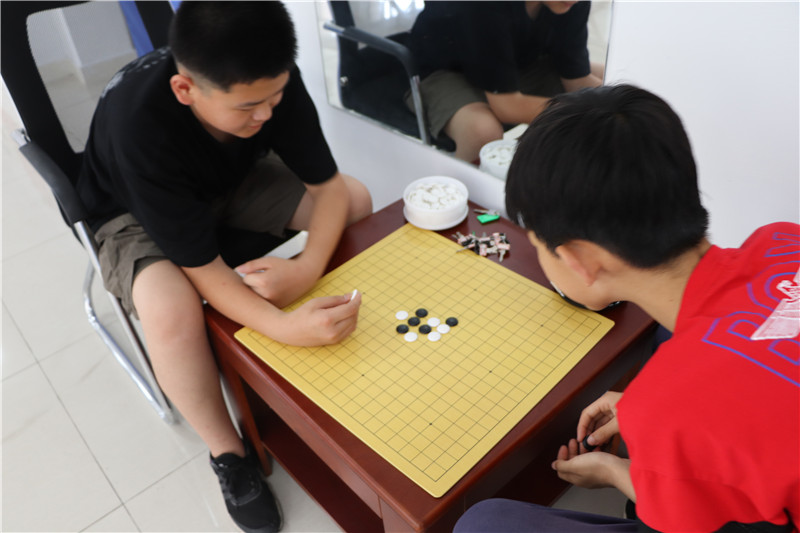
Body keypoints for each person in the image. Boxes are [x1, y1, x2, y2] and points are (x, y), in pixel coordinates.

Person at [77, 2, 373, 532]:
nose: (266, 115)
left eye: (275, 98)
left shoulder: (268, 79)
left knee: (356, 199)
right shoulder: (137, 125)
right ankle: (229, 455)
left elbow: (330, 190)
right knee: (170, 308)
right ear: (185, 90)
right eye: (249, 107)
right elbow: (201, 267)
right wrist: (283, 327)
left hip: (233, 181)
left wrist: (305, 270)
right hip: (133, 212)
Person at [454, 85, 799, 532]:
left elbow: (691, 516)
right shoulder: (782, 240)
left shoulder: (668, 414)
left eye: (538, 244)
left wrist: (620, 471)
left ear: (581, 261)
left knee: (481, 524)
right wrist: (656, 413)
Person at [406, 1, 603, 162]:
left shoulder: (571, 3)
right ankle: (461, 191)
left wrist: (611, 105)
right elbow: (507, 107)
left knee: (610, 81)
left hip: (517, 62)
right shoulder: (484, 7)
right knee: (482, 132)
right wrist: (585, 113)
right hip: (446, 71)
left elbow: (576, 78)